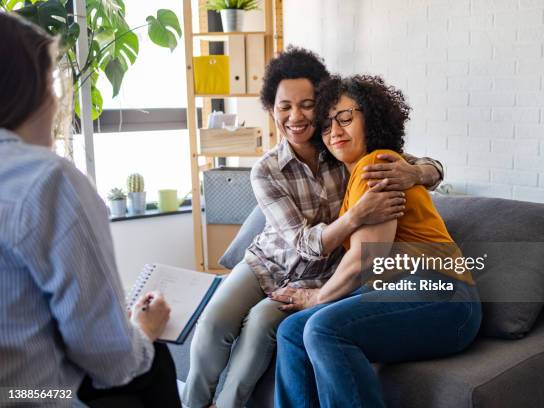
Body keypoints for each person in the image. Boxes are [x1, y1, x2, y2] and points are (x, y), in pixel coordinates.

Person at [182, 47, 445, 408]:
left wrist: (415, 172)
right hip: (268, 263)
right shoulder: (267, 170)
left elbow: (428, 166)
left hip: (319, 276)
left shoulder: (342, 149)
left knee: (260, 328)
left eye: (306, 104)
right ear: (272, 110)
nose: (295, 116)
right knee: (213, 325)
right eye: (284, 106)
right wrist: (355, 217)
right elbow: (304, 242)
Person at [0, 12, 181, 407]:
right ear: (29, 92)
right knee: (152, 361)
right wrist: (141, 329)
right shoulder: (46, 180)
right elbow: (110, 358)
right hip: (28, 395)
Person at [271, 75, 482, 408]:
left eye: (345, 118)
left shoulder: (377, 165)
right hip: (398, 291)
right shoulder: (361, 171)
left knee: (323, 329)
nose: (335, 131)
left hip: (443, 295)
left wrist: (317, 297)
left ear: (371, 115)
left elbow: (367, 260)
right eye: (326, 126)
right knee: (292, 332)